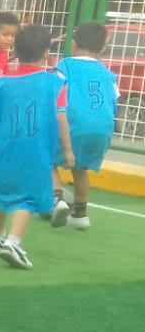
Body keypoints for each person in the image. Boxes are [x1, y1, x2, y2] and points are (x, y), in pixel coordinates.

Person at [0, 23, 73, 269]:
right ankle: (14, 242)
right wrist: (68, 150)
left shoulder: (1, 84)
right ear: (46, 53)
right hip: (36, 150)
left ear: (16, 49)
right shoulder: (54, 84)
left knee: (1, 189)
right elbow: (61, 118)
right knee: (28, 197)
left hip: (1, 149)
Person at [53, 20, 118, 231]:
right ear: (103, 48)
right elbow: (114, 99)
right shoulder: (107, 74)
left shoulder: (65, 67)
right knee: (81, 169)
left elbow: (55, 97)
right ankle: (80, 214)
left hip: (74, 124)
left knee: (47, 159)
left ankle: (56, 200)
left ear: (73, 44)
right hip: (102, 128)